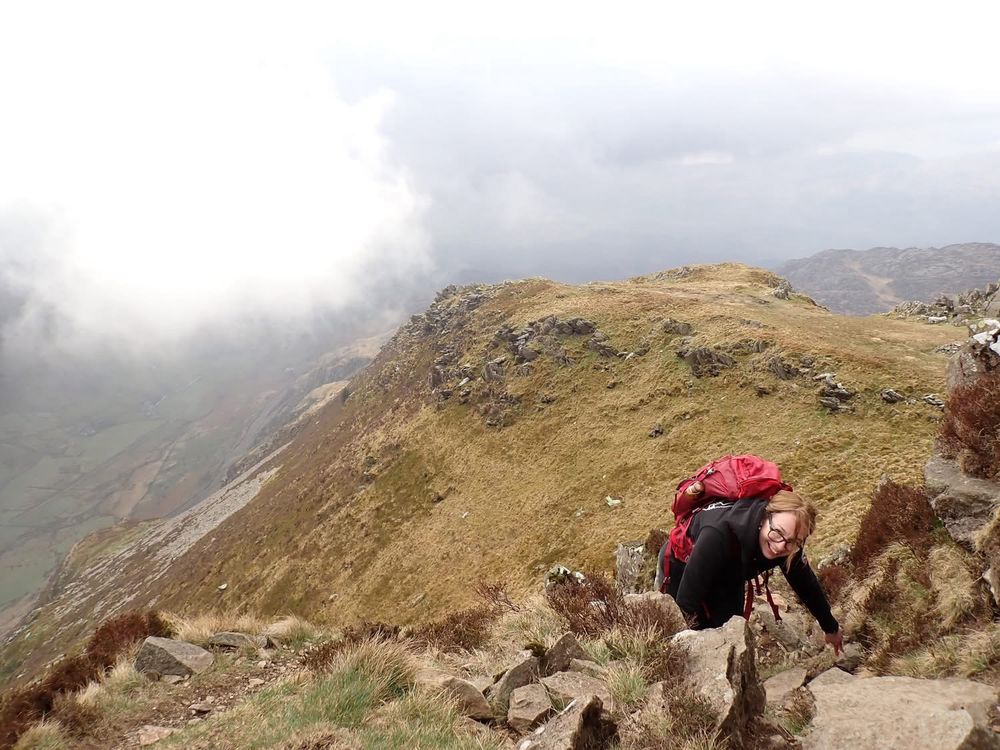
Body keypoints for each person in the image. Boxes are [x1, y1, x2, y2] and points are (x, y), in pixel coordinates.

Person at [661, 489, 843, 654]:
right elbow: (684, 607)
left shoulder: (787, 542)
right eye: (777, 533)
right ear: (764, 518)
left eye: (793, 542)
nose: (780, 547)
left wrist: (831, 627)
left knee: (730, 639)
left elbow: (805, 583)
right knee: (684, 633)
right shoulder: (717, 535)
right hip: (683, 567)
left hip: (731, 574)